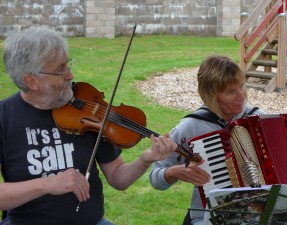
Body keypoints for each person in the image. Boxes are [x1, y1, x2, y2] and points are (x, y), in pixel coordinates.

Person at [0, 27, 178, 225]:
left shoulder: (88, 110)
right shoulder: (4, 118)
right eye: (60, 70)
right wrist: (48, 184)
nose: (70, 75)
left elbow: (118, 178)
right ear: (31, 81)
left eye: (68, 65)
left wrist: (145, 160)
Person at [149, 55, 266, 225]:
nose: (242, 96)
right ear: (211, 95)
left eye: (241, 86)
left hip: (258, 214)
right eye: (230, 92)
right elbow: (155, 177)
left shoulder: (258, 119)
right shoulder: (191, 127)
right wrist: (172, 172)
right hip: (208, 217)